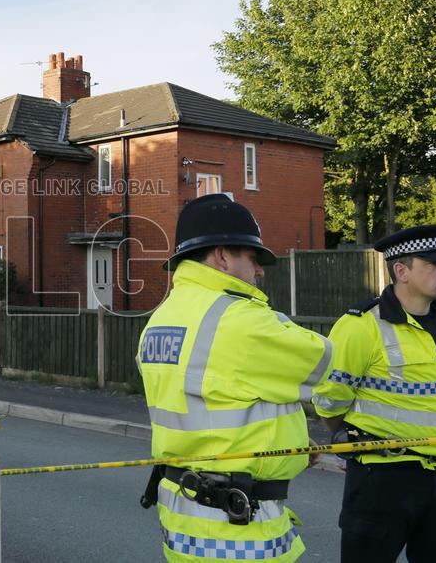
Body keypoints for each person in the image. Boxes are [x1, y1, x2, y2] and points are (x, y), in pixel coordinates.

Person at [138, 194, 332, 562]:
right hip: (236, 528)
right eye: (253, 257)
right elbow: (334, 368)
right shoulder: (241, 320)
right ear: (223, 256)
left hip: (186, 515)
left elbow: (215, 401)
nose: (260, 270)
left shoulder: (161, 319)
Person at [312, 224, 436, 563]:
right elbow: (330, 404)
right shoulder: (362, 327)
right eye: (432, 264)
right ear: (400, 270)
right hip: (381, 479)